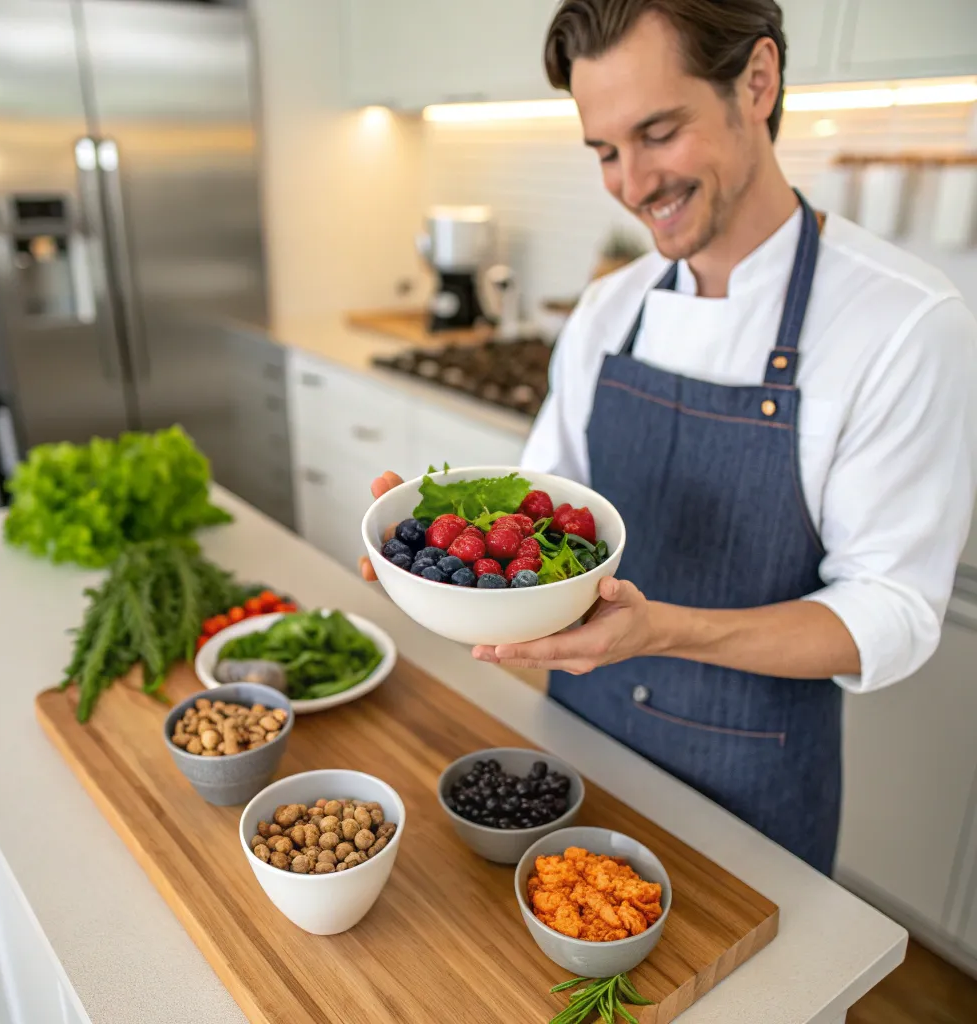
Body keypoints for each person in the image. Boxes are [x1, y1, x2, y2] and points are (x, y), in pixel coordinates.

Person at [361, 0, 977, 875]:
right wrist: (433, 576)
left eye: (658, 132)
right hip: (577, 752)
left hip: (755, 789)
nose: (631, 182)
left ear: (756, 82)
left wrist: (661, 631)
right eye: (606, 150)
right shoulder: (612, 308)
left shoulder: (905, 324)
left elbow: (893, 612)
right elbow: (543, 510)